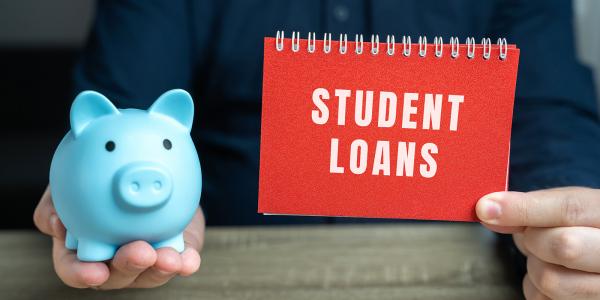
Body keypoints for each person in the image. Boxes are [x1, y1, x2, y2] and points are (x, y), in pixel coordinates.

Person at [32, 0, 600, 297]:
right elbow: (122, 109)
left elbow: (545, 107)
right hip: (217, 266)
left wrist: (565, 230)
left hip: (444, 265)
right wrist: (92, 194)